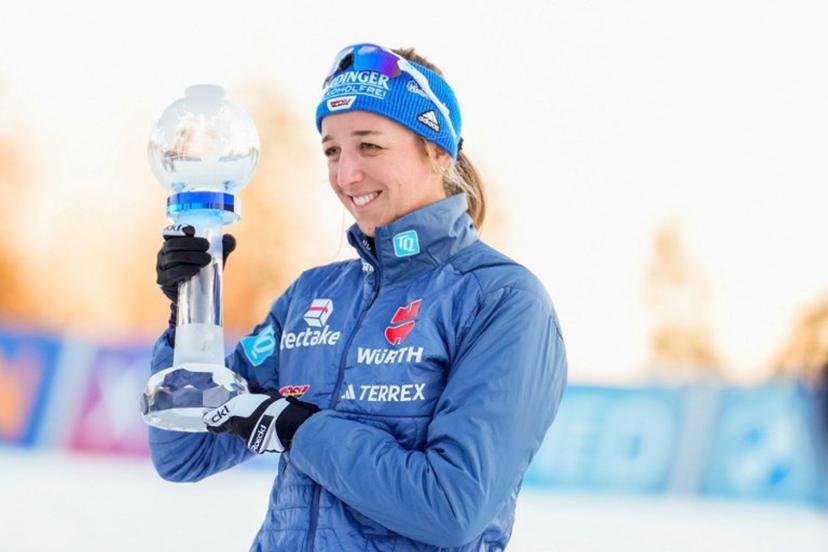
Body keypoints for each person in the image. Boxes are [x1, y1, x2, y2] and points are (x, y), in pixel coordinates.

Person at [151, 43, 568, 551]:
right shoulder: (313, 296)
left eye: (369, 146)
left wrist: (300, 430)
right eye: (332, 150)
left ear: (437, 151)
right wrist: (189, 321)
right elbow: (185, 453)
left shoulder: (501, 300)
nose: (346, 175)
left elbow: (453, 507)